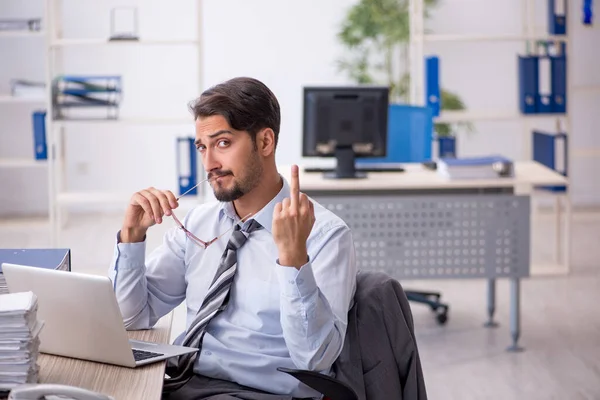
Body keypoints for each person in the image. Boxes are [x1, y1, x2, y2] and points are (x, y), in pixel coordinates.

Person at [108, 77, 357, 400]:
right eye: (202, 147)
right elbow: (130, 317)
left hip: (261, 394)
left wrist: (294, 260)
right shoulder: (199, 222)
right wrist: (132, 238)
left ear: (265, 142)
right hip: (183, 383)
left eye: (223, 143)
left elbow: (315, 358)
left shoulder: (326, 235)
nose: (210, 164)